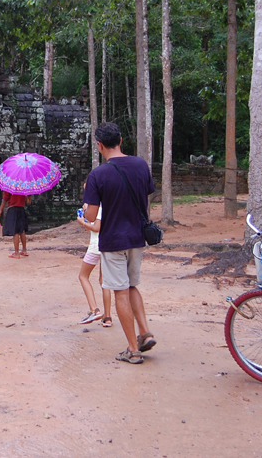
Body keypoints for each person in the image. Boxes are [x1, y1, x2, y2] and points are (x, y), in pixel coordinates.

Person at [83, 122, 156, 365]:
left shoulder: (98, 175)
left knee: (120, 292)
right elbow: (145, 198)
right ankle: (145, 331)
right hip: (137, 237)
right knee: (132, 285)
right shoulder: (141, 165)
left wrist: (85, 208)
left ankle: (133, 350)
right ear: (121, 140)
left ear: (100, 145)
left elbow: (92, 217)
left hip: (113, 241)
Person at [77, 196, 112, 327]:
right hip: (107, 245)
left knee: (83, 276)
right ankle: (107, 317)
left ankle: (94, 309)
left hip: (96, 247)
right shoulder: (109, 204)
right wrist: (86, 219)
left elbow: (97, 228)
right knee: (104, 281)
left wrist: (83, 222)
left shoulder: (99, 207)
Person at [0, 191, 29, 258]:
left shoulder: (10, 185)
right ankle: (24, 250)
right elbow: (29, 201)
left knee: (15, 231)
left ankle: (16, 253)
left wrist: (0, 209)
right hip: (21, 208)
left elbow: (5, 198)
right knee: (22, 230)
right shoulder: (24, 185)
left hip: (13, 209)